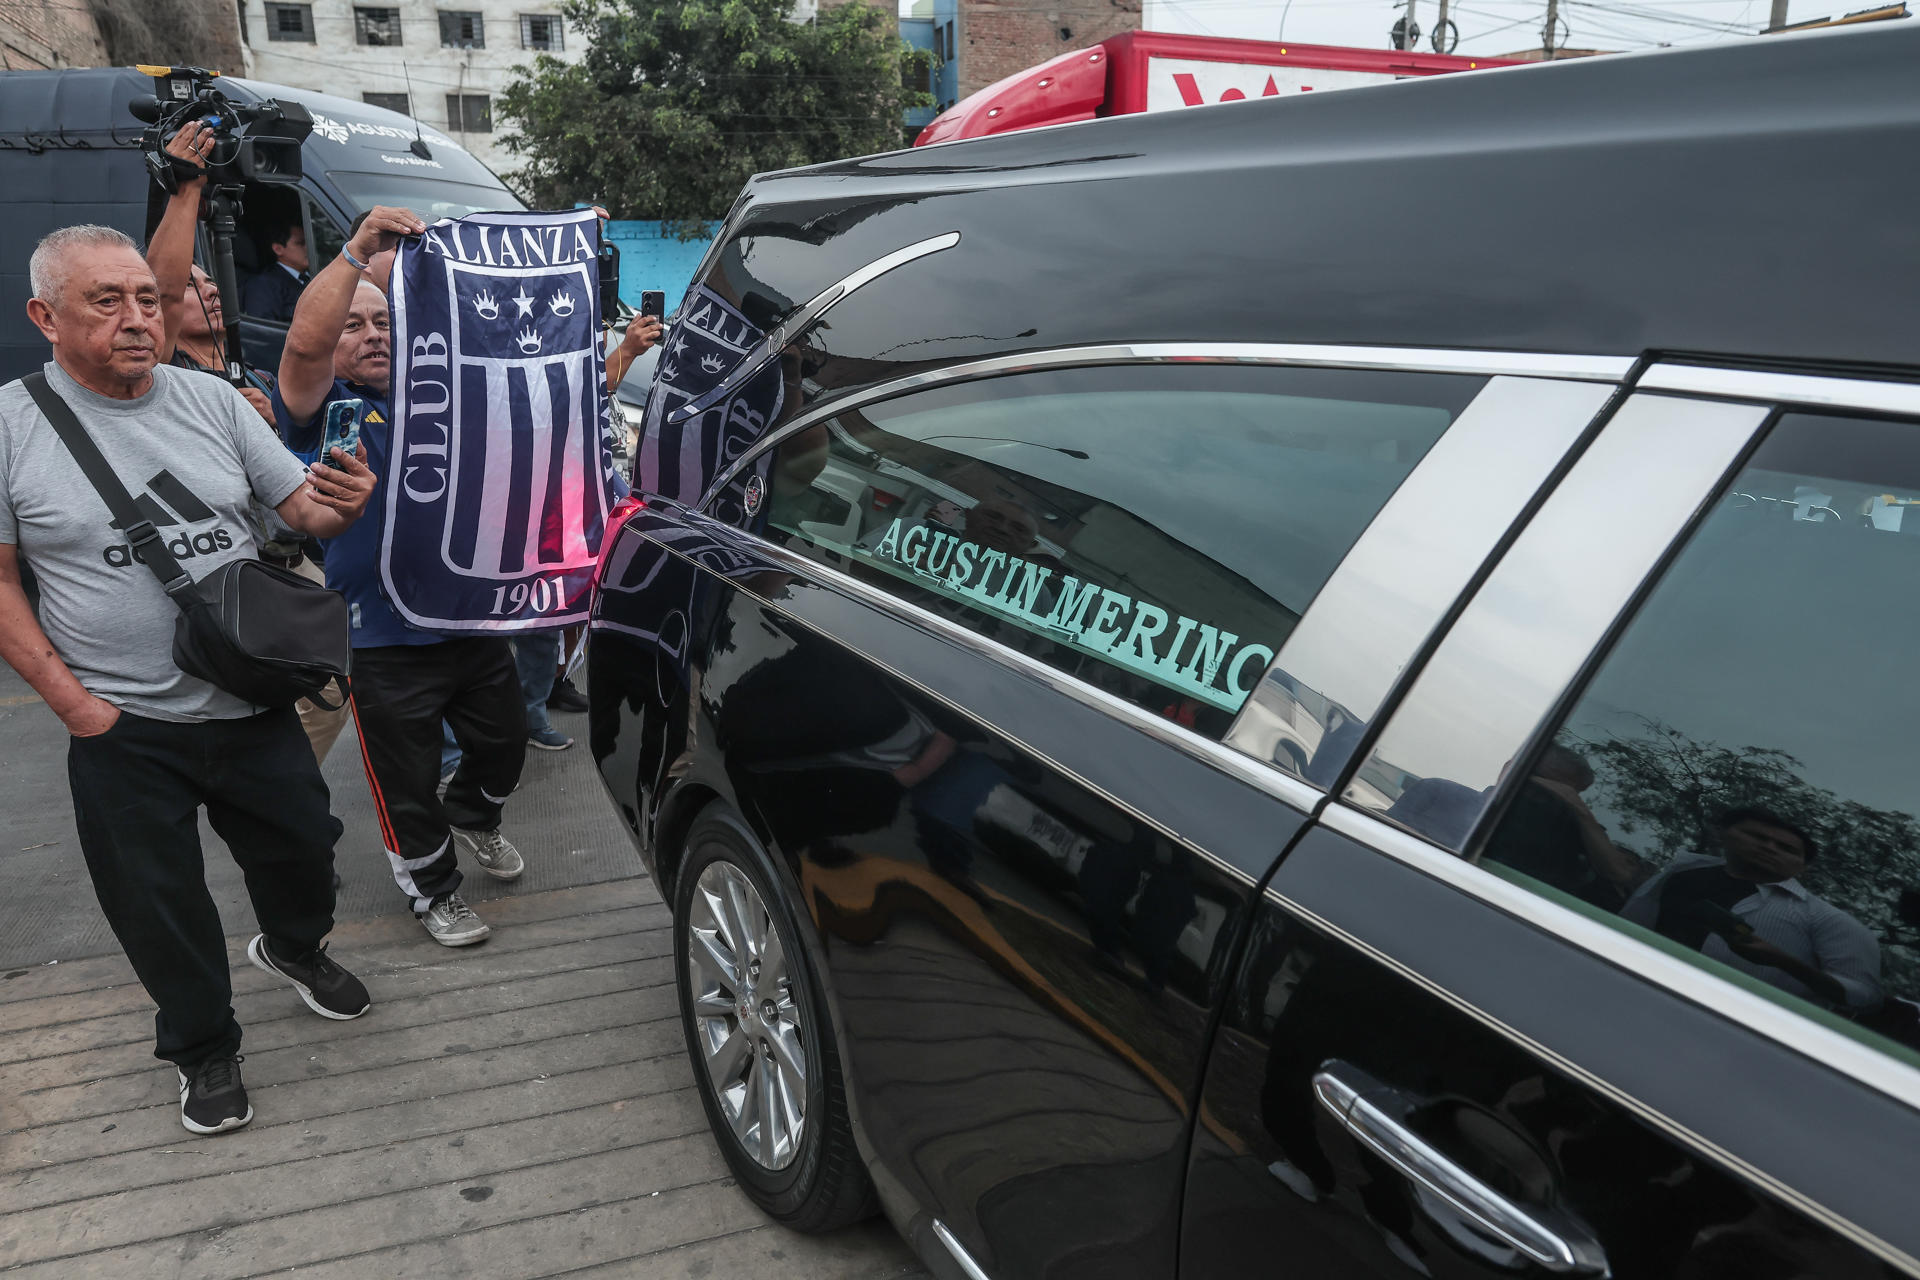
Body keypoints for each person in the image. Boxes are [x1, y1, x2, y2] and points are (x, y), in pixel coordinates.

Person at [0, 224, 379, 1135]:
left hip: (249, 697)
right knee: (158, 905)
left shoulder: (211, 401)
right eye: (108, 301)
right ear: (44, 317)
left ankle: (293, 946)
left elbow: (300, 515)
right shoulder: (11, 425)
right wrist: (78, 708)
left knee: (305, 852)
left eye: (147, 298)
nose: (140, 319)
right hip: (121, 726)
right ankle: (204, 1047)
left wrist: (343, 503)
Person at [275, 204, 528, 948]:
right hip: (380, 635)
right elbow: (302, 345)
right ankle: (432, 893)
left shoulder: (438, 395)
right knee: (405, 785)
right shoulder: (321, 411)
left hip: (466, 617)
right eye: (352, 325)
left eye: (382, 321)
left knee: (506, 746)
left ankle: (476, 813)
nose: (372, 335)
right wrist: (356, 254)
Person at [143, 121, 351, 766]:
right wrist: (187, 191)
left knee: (332, 685)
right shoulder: (165, 375)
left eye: (213, 284)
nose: (207, 289)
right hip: (221, 567)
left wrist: (261, 423)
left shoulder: (252, 375)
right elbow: (165, 289)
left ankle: (293, 785)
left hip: (285, 555)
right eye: (194, 286)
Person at [1622, 807, 1883, 1013]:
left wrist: (1782, 961)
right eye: (1758, 837)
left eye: (1786, 848)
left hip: (1732, 1030)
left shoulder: (1826, 918)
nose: (1769, 847)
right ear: (1723, 834)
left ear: (1802, 865)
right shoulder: (1681, 873)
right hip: (1628, 989)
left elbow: (1862, 996)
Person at [242, 219, 308, 323]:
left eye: (308, 242)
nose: (307, 248)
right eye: (301, 243)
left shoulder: (318, 275)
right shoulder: (263, 285)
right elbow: (265, 331)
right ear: (278, 249)